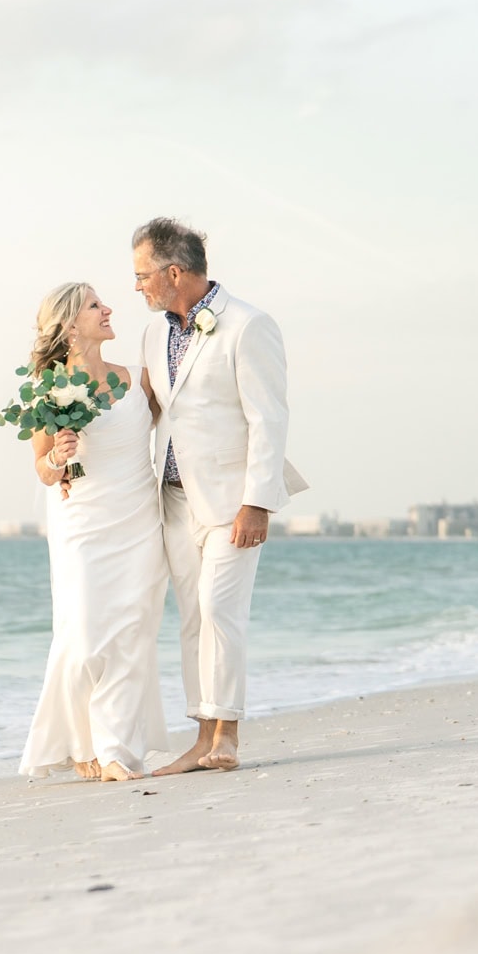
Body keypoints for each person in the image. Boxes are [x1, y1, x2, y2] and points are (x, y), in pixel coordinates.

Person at [130, 218, 305, 774]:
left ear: (173, 272)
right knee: (190, 618)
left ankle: (227, 735)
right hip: (175, 499)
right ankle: (201, 737)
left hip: (234, 501)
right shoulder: (155, 333)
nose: (137, 287)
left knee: (220, 609)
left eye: (142, 276)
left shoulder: (249, 325)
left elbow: (269, 418)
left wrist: (259, 502)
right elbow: (154, 408)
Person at [17, 282, 169, 782]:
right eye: (94, 306)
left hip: (140, 520)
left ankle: (115, 752)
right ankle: (78, 742)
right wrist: (57, 459)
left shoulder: (141, 381)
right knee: (82, 637)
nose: (108, 310)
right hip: (81, 521)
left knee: (131, 634)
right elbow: (42, 467)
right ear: (68, 325)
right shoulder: (47, 389)